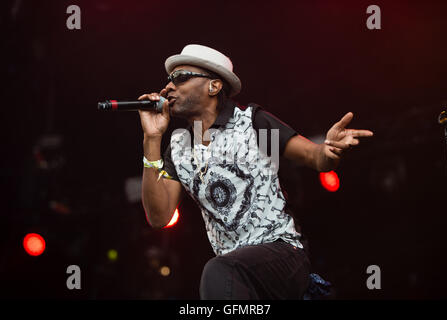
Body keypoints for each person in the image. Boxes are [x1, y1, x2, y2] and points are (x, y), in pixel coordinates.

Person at [137, 44, 373, 299]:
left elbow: (315, 158)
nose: (168, 87)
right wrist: (151, 138)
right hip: (237, 273)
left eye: (181, 78)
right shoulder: (178, 147)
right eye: (168, 80)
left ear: (213, 86)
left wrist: (329, 151)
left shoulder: (252, 122)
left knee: (217, 270)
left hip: (282, 253)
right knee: (220, 274)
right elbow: (159, 217)